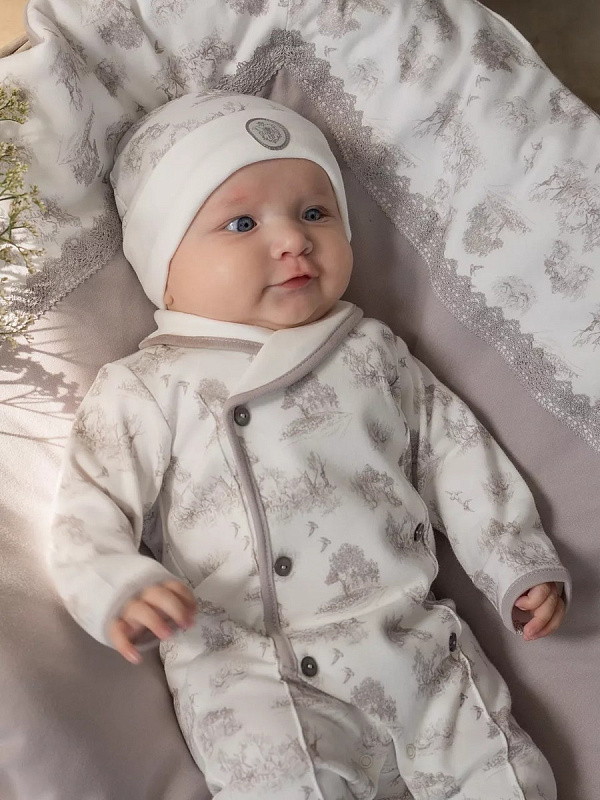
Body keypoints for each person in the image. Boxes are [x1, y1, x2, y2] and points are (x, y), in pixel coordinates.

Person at [48, 92, 570, 800]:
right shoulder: (149, 384)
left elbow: (454, 453)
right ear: (162, 262)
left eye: (316, 213)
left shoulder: (372, 351)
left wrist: (514, 556)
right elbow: (87, 509)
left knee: (508, 776)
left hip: (410, 640)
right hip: (254, 667)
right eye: (241, 223)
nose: (293, 239)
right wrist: (117, 581)